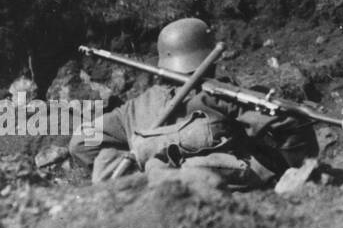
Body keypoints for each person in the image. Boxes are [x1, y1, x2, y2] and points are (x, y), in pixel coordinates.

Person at [69, 18, 318, 188]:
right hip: (204, 184)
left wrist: (135, 159)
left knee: (108, 161)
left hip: (145, 185)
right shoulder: (226, 97)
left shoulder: (138, 105)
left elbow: (82, 142)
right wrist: (287, 167)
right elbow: (294, 130)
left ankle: (146, 181)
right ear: (210, 59)